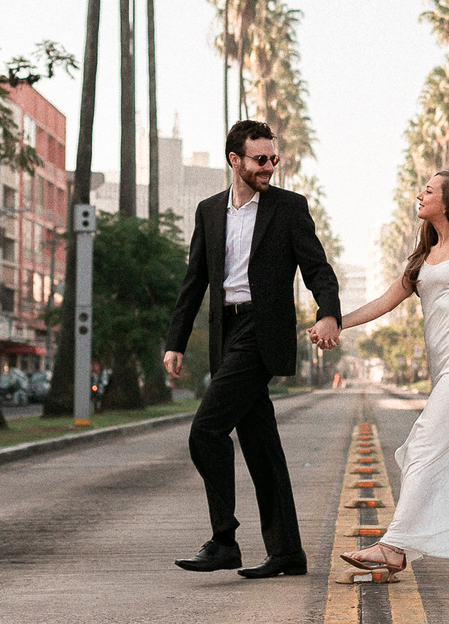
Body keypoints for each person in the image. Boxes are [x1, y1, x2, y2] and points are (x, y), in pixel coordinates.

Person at [317, 170, 449, 583]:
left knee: (422, 447)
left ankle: (393, 547)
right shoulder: (424, 256)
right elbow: (382, 303)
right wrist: (335, 323)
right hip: (443, 368)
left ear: (448, 202)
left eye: (428, 191)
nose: (419, 194)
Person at [163, 120, 342, 580]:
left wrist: (329, 312)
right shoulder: (208, 211)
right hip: (227, 333)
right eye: (260, 159)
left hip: (263, 332)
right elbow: (195, 282)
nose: (269, 167)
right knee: (262, 447)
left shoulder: (288, 208)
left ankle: (224, 540)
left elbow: (317, 267)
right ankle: (287, 553)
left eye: (273, 158)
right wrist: (175, 343)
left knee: (205, 431)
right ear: (235, 161)